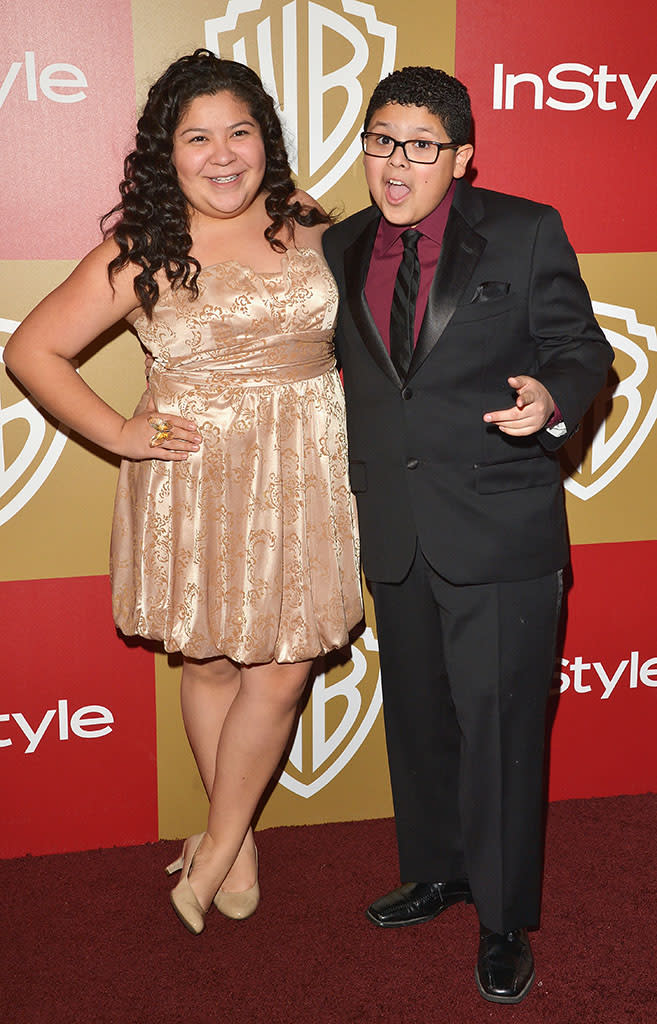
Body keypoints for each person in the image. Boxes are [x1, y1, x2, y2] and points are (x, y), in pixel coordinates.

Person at [5, 49, 362, 935]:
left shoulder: (307, 217)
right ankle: (233, 845)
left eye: (239, 131)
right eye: (196, 137)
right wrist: (122, 434)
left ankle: (213, 842)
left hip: (307, 466)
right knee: (204, 658)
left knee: (281, 671)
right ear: (166, 154)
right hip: (194, 474)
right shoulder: (145, 248)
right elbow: (32, 350)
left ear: (265, 141)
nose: (222, 153)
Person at [322, 66, 613, 1004]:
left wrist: (553, 398)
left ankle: (501, 919)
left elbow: (581, 349)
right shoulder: (340, 245)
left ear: (461, 156)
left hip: (498, 525)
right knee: (419, 720)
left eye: (417, 145)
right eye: (378, 140)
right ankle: (439, 870)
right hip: (396, 529)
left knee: (500, 734)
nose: (393, 163)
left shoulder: (526, 229)